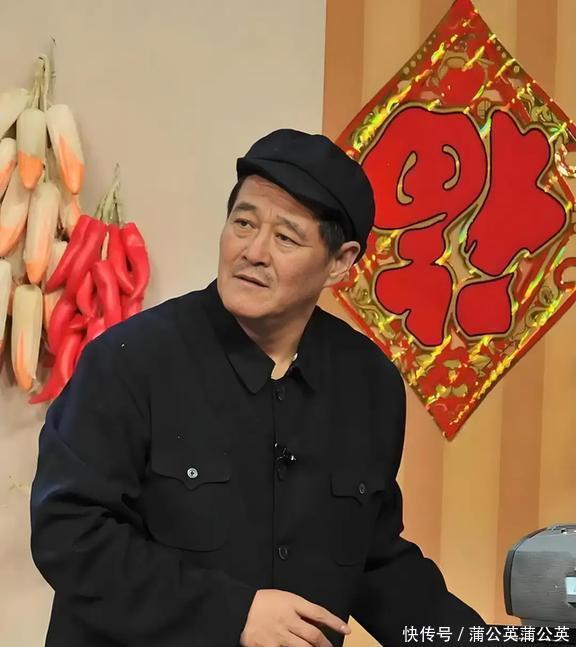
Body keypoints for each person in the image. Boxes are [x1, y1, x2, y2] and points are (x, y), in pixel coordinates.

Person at [30, 129, 485, 647]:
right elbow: (70, 534)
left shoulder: (368, 383)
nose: (253, 252)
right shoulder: (129, 361)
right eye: (243, 223)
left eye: (286, 238)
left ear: (339, 262)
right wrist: (231, 614)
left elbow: (374, 559)